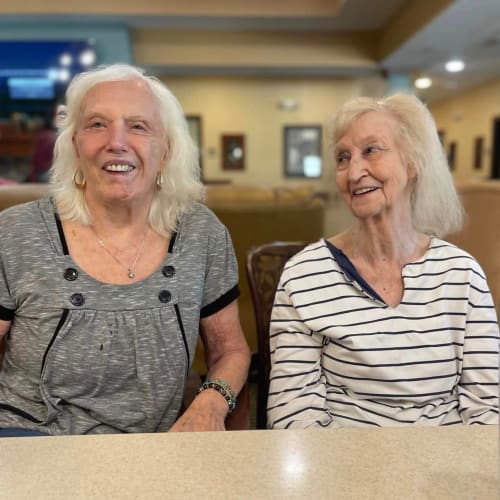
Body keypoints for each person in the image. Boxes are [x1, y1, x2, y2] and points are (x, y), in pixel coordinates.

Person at [0, 64, 250, 436]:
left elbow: (231, 351)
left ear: (165, 150)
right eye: (97, 124)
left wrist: (211, 403)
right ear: (75, 145)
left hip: (154, 444)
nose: (116, 142)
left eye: (138, 126)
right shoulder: (17, 232)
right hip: (32, 437)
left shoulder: (202, 233)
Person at [267, 93, 499, 429]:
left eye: (371, 150)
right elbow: (294, 412)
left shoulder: (462, 274)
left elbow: (487, 409)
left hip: (443, 466)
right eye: (343, 157)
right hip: (342, 465)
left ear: (412, 162)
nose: (354, 171)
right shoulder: (305, 275)